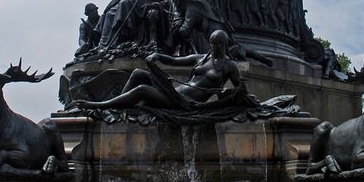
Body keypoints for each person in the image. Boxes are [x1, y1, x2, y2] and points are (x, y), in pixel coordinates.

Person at [74, 30, 242, 110]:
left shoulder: (229, 66)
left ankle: (101, 105)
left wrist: (228, 97)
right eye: (212, 42)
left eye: (218, 43)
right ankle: (118, 108)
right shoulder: (201, 58)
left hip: (185, 103)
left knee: (142, 90)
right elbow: (174, 60)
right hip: (176, 93)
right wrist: (157, 56)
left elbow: (240, 90)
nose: (214, 46)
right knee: (139, 73)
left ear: (225, 44)